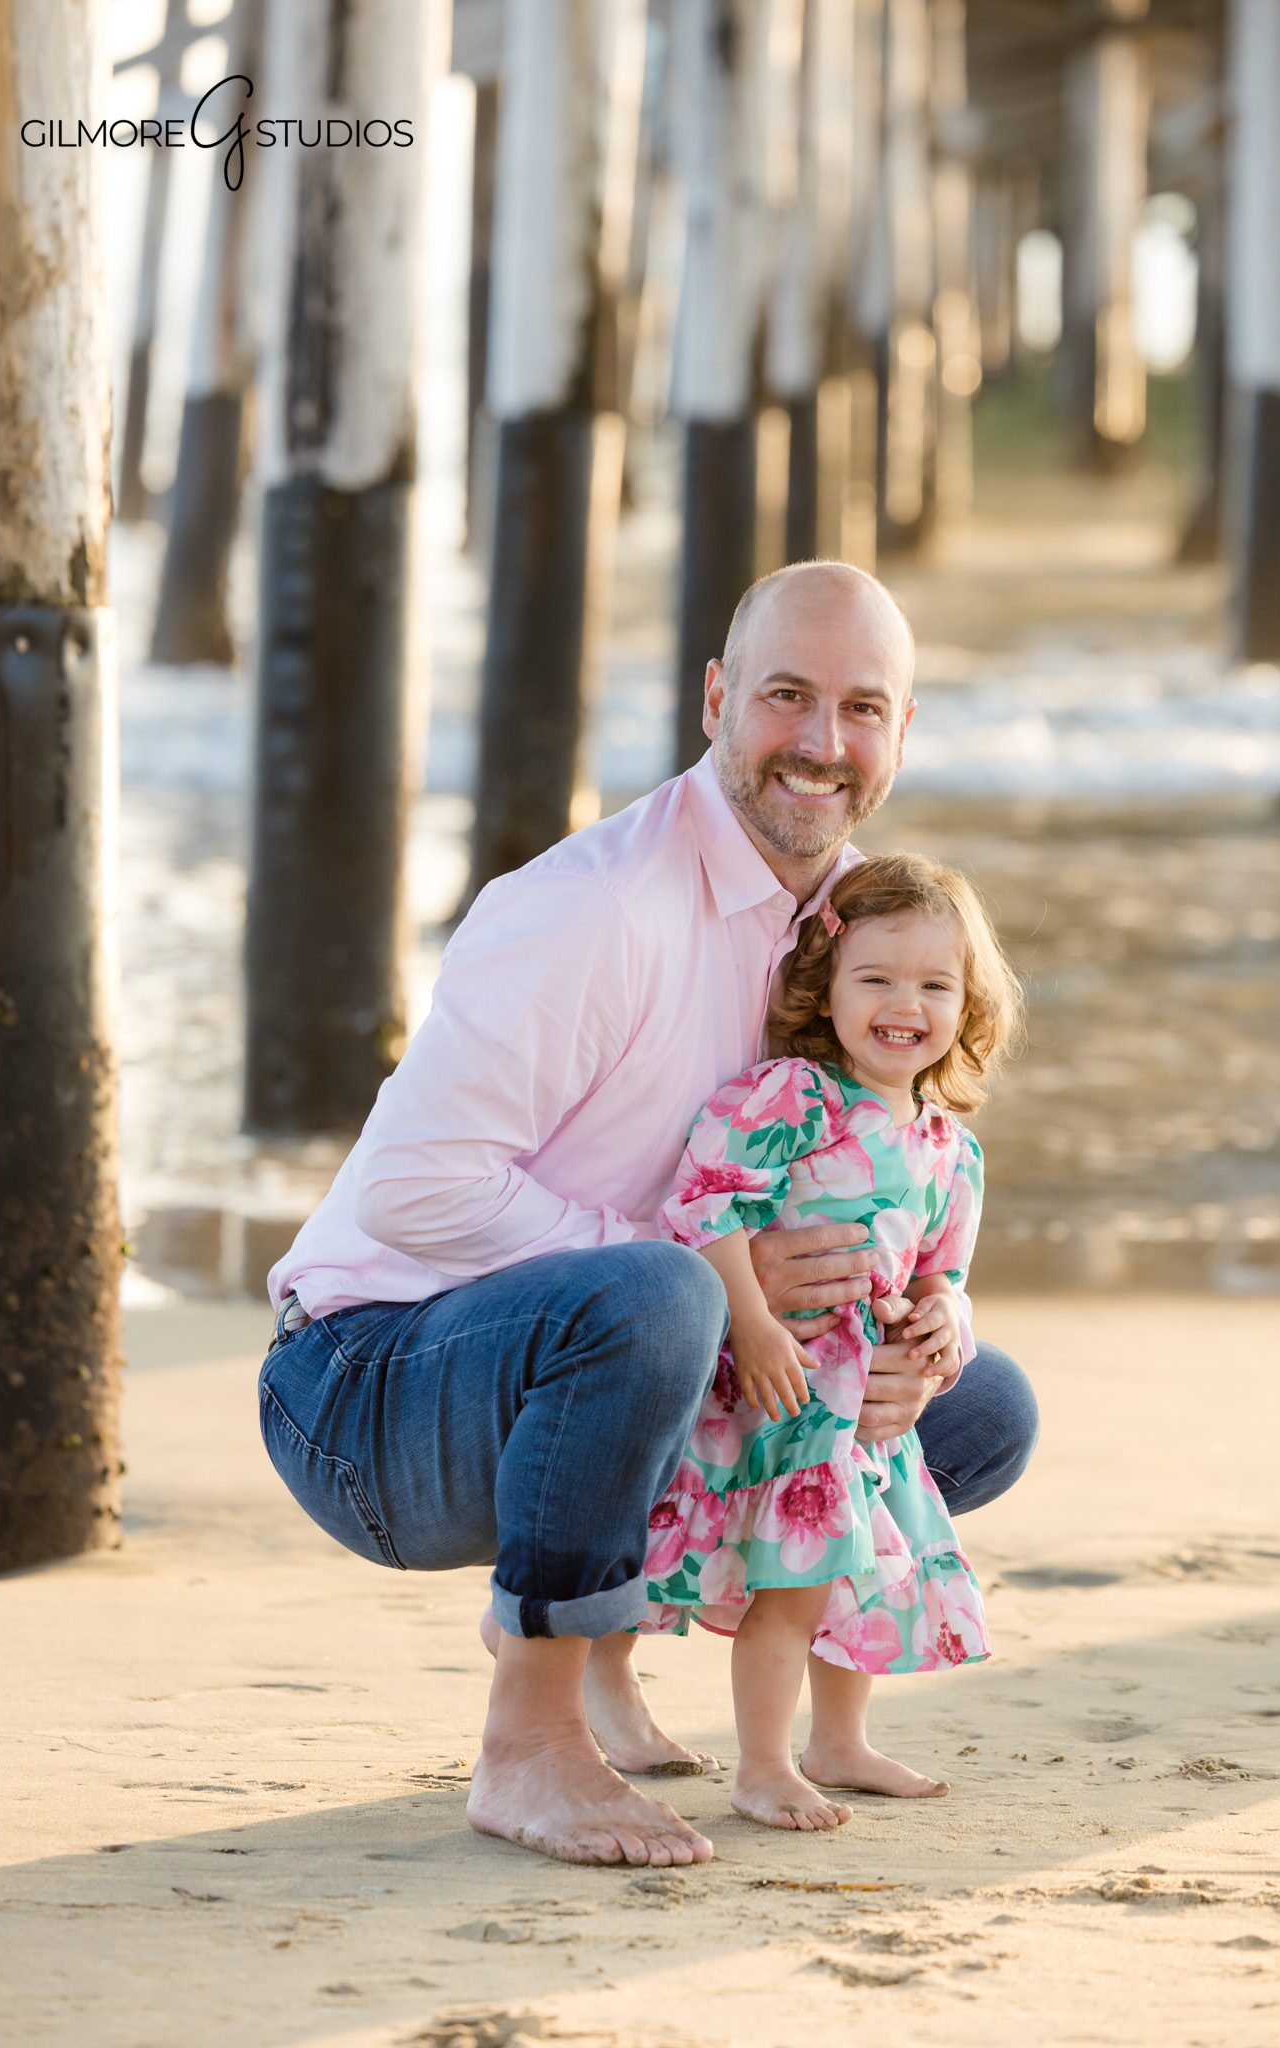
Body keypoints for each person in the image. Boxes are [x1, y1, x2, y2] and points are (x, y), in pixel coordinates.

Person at [258, 559, 1039, 1869]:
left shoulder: (854, 927)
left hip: (628, 1352)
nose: (820, 743)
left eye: (861, 709)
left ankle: (622, 1632)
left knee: (973, 1405)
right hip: (367, 1387)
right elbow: (411, 1188)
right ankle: (531, 1736)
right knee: (664, 1297)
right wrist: (718, 1285)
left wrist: (925, 1314)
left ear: (902, 733)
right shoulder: (595, 908)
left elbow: (891, 1169)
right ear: (717, 699)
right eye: (786, 696)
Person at [643, 851, 1022, 1831]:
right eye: (877, 977)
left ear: (966, 1001)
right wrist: (752, 1320)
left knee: (863, 1572)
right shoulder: (794, 1096)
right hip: (788, 1385)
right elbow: (705, 1204)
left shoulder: (948, 1143)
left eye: (935, 983)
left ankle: (839, 1741)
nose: (907, 1003)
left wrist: (954, 1315)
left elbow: (939, 1268)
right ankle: (762, 1763)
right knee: (793, 1580)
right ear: (827, 985)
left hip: (872, 1410)